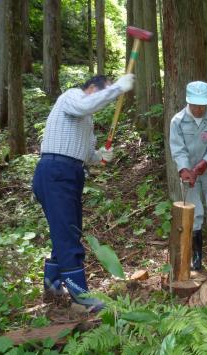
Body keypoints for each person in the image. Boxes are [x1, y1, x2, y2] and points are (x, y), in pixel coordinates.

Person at [32, 73, 135, 311]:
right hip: (55, 171)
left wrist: (101, 156)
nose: (105, 98)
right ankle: (79, 296)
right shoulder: (73, 97)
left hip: (71, 173)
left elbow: (87, 156)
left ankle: (52, 281)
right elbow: (85, 104)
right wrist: (118, 88)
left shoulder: (86, 120)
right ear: (91, 88)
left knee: (69, 229)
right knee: (67, 231)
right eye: (103, 91)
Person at [169, 81, 207, 270]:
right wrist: (186, 170)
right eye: (195, 105)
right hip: (189, 175)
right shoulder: (177, 121)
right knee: (194, 214)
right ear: (188, 102)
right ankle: (196, 256)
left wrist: (203, 164)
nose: (198, 109)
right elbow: (178, 150)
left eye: (202, 105)